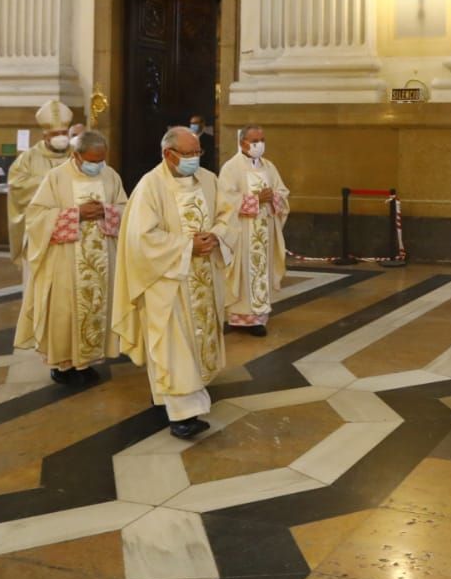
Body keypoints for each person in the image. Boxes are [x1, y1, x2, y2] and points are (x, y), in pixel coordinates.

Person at [111, 125, 234, 440]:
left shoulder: (208, 180)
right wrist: (186, 246)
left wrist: (216, 235)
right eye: (190, 154)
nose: (196, 159)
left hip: (203, 280)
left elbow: (227, 215)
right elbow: (141, 239)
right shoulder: (149, 187)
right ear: (169, 154)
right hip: (167, 283)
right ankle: (183, 414)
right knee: (172, 347)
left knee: (192, 341)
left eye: (198, 152)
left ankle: (167, 395)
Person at [16, 130, 128, 386]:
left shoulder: (110, 175)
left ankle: (86, 361)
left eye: (101, 159)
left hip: (102, 261)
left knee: (97, 308)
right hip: (65, 259)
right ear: (76, 156)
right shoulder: (56, 178)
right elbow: (35, 219)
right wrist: (75, 214)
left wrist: (107, 211)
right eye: (92, 159)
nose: (97, 164)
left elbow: (125, 208)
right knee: (64, 312)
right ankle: (63, 364)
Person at [218, 125, 289, 337]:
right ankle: (236, 317)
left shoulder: (269, 167)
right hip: (242, 232)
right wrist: (255, 200)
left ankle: (257, 319)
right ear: (243, 143)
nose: (259, 144)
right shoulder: (231, 168)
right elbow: (224, 200)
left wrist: (273, 197)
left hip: (264, 230)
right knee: (240, 274)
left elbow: (283, 192)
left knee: (260, 273)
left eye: (262, 139)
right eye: (254, 140)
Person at [6, 101, 74, 272]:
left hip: (73, 227)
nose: (61, 137)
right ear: (45, 136)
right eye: (56, 133)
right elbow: (17, 185)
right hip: (40, 229)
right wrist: (50, 183)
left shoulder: (79, 154)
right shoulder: (28, 158)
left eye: (64, 133)